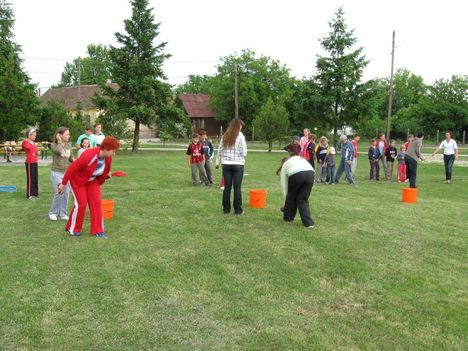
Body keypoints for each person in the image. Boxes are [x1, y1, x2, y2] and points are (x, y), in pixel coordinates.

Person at [58, 136, 120, 237]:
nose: (114, 154)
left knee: (96, 203)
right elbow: (72, 168)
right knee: (81, 204)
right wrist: (63, 183)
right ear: (106, 149)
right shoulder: (89, 155)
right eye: (113, 151)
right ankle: (73, 229)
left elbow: (104, 172)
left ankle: (98, 230)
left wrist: (107, 175)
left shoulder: (108, 159)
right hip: (77, 179)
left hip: (92, 180)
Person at [218, 118, 247, 215]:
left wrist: (220, 162)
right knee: (237, 188)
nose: (241, 128)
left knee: (227, 188)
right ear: (238, 126)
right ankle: (238, 210)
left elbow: (220, 151)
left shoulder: (225, 135)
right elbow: (244, 152)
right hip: (238, 164)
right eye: (241, 126)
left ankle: (226, 210)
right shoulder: (240, 136)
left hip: (226, 164)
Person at [277, 156, 315, 228]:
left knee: (291, 196)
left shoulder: (285, 165)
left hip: (296, 173)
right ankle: (309, 223)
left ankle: (288, 218)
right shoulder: (297, 158)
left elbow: (284, 186)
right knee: (303, 199)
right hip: (311, 173)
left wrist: (285, 203)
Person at [49, 127, 74, 221]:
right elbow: (59, 151)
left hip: (66, 174)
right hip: (56, 173)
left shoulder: (69, 145)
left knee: (66, 193)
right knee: (60, 192)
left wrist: (80, 163)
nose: (69, 136)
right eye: (66, 134)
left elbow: (71, 158)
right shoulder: (54, 145)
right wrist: (59, 141)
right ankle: (53, 213)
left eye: (69, 134)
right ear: (59, 135)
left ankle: (63, 214)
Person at [21, 128, 39, 199]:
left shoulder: (34, 143)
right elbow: (27, 148)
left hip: (35, 162)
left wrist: (37, 153)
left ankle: (35, 193)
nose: (35, 137)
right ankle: (30, 195)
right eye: (34, 136)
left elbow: (34, 151)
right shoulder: (25, 143)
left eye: (35, 136)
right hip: (29, 162)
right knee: (30, 178)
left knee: (35, 178)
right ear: (29, 135)